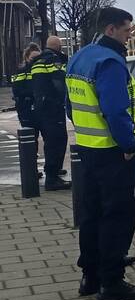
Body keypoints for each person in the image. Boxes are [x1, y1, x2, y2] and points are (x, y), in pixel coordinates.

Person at [66, 7, 135, 300]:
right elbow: (116, 110)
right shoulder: (110, 62)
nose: (130, 36)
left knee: (91, 213)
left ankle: (90, 275)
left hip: (88, 149)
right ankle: (112, 281)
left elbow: (70, 105)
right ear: (111, 30)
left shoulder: (80, 57)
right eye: (127, 30)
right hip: (113, 153)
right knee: (117, 216)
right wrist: (128, 145)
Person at [31, 36, 71, 190]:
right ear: (59, 47)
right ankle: (52, 178)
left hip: (40, 108)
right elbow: (60, 84)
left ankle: (52, 173)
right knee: (57, 141)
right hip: (53, 107)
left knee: (50, 142)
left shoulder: (37, 61)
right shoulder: (53, 61)